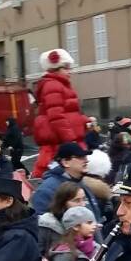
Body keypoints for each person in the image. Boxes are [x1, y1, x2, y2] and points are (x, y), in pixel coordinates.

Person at [31, 49, 88, 177]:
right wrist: (70, 140)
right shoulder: (53, 86)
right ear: (56, 68)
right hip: (60, 143)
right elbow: (56, 116)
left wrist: (84, 121)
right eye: (66, 68)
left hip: (62, 141)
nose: (69, 71)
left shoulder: (58, 85)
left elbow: (67, 112)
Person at [30, 142, 102, 222]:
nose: (86, 160)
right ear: (65, 162)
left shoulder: (80, 183)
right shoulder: (47, 190)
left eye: (85, 156)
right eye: (80, 157)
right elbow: (43, 226)